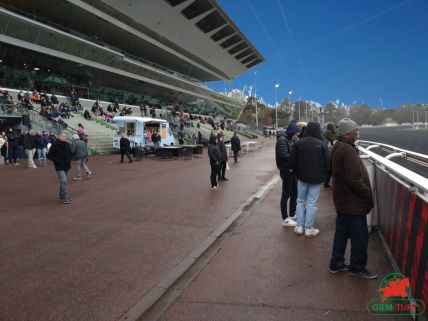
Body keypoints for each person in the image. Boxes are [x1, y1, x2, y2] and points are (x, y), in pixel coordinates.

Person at [329, 118, 376, 279]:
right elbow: (355, 180)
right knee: (359, 238)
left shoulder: (338, 146)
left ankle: (336, 263)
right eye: (355, 130)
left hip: (342, 202)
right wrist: (368, 196)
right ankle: (357, 267)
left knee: (341, 234)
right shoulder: (348, 150)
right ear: (348, 133)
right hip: (353, 204)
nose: (357, 132)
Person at [289, 122, 330, 237]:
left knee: (300, 201)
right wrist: (324, 175)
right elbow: (327, 163)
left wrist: (297, 172)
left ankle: (299, 226)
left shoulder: (298, 143)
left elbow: (292, 162)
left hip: (301, 177)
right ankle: (309, 228)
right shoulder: (322, 144)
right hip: (316, 178)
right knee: (311, 203)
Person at [276, 123, 300, 227]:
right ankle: (285, 218)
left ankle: (292, 213)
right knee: (285, 195)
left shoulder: (289, 139)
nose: (296, 136)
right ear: (291, 132)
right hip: (286, 170)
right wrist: (296, 154)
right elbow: (283, 155)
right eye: (295, 134)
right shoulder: (282, 140)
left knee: (294, 192)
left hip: (291, 170)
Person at [47, 132, 73, 204]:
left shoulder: (67, 144)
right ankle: (65, 197)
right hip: (59, 166)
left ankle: (62, 196)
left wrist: (70, 159)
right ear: (59, 136)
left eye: (65, 136)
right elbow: (49, 155)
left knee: (64, 182)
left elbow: (70, 153)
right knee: (64, 181)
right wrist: (57, 161)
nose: (65, 137)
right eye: (63, 136)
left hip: (67, 165)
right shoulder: (55, 144)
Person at [323, 122, 337, 188]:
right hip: (330, 152)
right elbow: (334, 139)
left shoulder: (327, 132)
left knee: (329, 169)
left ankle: (326, 182)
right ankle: (327, 183)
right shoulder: (329, 132)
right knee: (330, 169)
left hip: (328, 152)